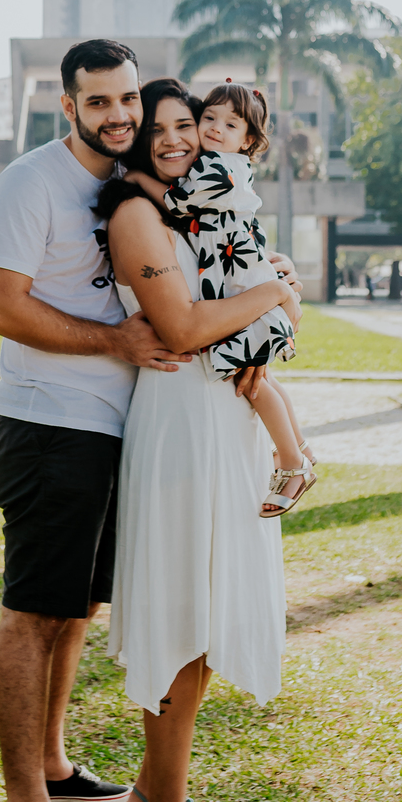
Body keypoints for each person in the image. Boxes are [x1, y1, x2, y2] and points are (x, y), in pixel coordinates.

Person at [0, 39, 193, 802]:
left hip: (108, 428)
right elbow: (0, 309)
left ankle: (56, 772)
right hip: (46, 424)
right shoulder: (28, 186)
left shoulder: (129, 185)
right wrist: (115, 342)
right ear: (67, 107)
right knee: (34, 612)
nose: (118, 116)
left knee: (77, 609)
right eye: (98, 103)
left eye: (127, 100)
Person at [100, 78, 304, 802]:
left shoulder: (204, 202)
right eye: (163, 127)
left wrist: (278, 294)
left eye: (191, 125)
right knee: (184, 616)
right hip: (181, 422)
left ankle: (156, 794)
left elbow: (272, 311)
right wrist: (269, 293)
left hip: (222, 416)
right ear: (139, 136)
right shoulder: (138, 214)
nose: (178, 138)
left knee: (208, 614)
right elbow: (184, 327)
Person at [126, 80, 314, 516]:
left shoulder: (218, 169)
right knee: (259, 380)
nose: (213, 129)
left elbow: (177, 205)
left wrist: (135, 178)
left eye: (228, 124)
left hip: (244, 288)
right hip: (245, 282)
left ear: (248, 139)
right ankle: (299, 446)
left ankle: (292, 461)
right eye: (208, 118)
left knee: (247, 381)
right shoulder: (218, 164)